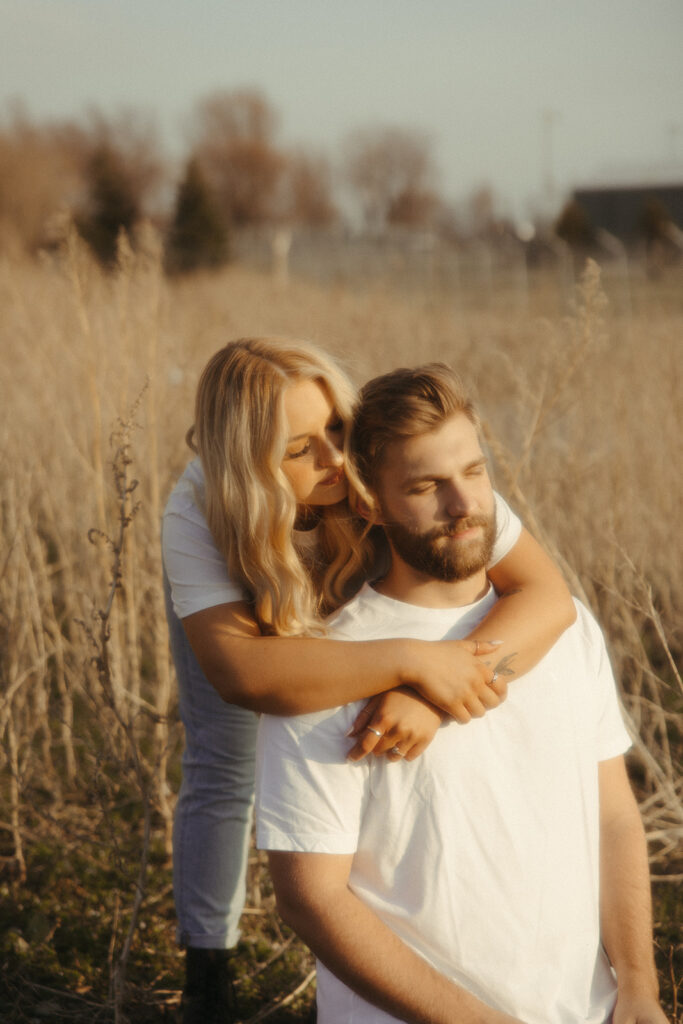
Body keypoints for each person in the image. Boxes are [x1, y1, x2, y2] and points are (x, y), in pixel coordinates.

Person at [162, 338, 576, 1022]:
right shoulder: (198, 508)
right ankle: (207, 971)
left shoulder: (391, 462)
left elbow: (544, 594)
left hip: (367, 628)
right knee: (222, 764)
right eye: (299, 449)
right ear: (245, 464)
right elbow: (242, 672)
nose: (332, 458)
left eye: (334, 426)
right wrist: (413, 660)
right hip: (247, 618)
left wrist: (430, 696)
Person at [256, 363, 667, 1024]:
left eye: (473, 473)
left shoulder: (562, 626)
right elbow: (312, 899)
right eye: (425, 486)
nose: (463, 505)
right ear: (367, 501)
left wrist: (638, 987)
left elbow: (613, 817)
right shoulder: (328, 672)